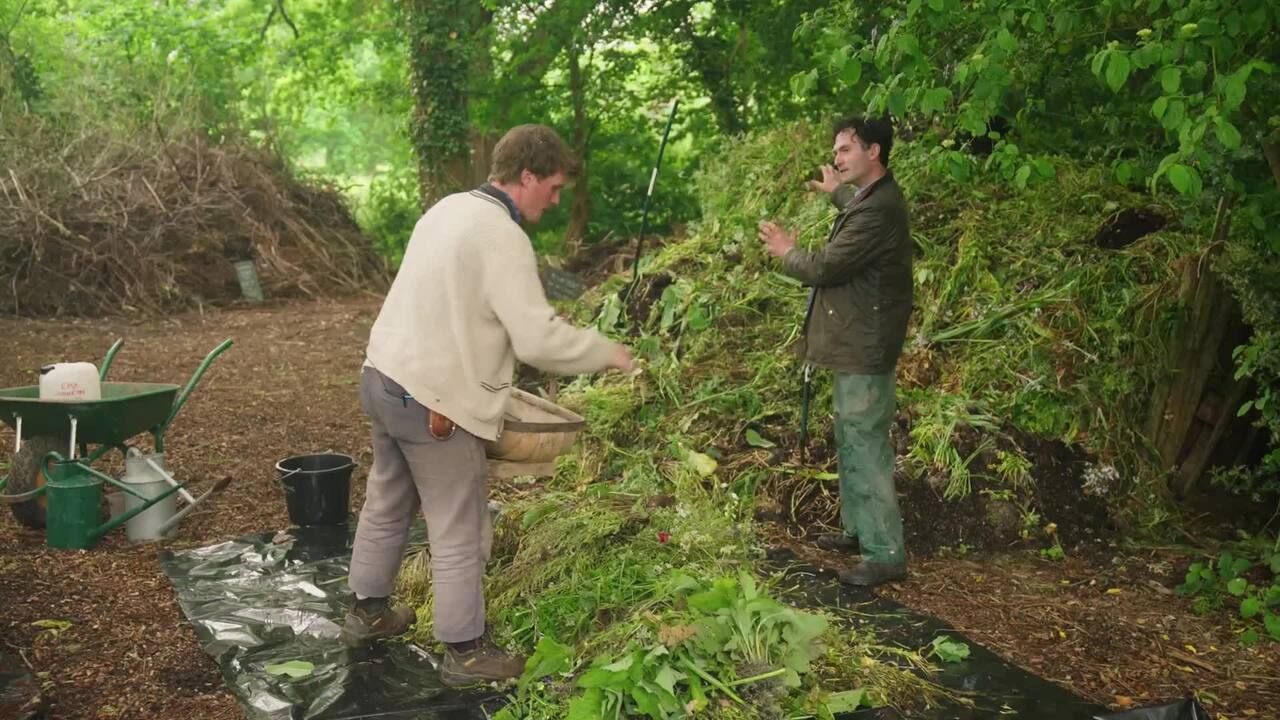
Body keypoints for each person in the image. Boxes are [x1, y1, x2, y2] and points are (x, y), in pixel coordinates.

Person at [341, 124, 634, 685]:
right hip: (433, 400)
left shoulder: (447, 209)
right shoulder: (502, 234)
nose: (555, 201)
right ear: (527, 176)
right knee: (460, 524)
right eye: (553, 187)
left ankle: (367, 613)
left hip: (383, 375)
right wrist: (606, 352)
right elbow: (537, 340)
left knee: (388, 499)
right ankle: (466, 652)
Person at [757, 115, 912, 587]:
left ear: (873, 152)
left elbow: (825, 267)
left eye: (845, 149)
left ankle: (884, 553)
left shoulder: (879, 210)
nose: (837, 158)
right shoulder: (871, 198)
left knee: (864, 440)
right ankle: (858, 531)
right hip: (856, 342)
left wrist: (786, 250)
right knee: (850, 434)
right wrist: (837, 193)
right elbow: (856, 209)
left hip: (866, 345)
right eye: (836, 151)